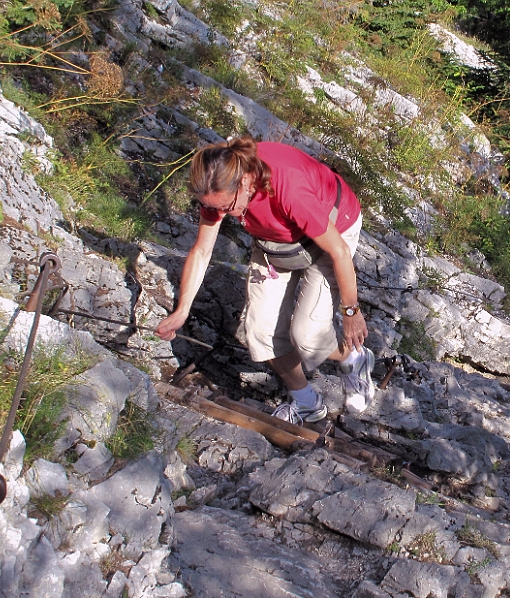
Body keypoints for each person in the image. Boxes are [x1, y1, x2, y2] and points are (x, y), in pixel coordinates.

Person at [155, 134, 375, 423]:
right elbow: (201, 250)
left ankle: (354, 358)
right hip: (275, 241)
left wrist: (351, 312)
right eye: (214, 208)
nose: (220, 214)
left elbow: (339, 251)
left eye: (226, 207)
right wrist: (181, 311)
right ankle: (306, 402)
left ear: (245, 183)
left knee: (308, 335)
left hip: (334, 228)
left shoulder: (287, 186)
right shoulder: (219, 189)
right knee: (260, 332)